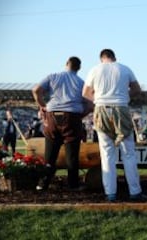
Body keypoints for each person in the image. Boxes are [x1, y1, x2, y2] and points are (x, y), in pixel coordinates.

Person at [82, 49, 147, 202]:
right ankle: (135, 192)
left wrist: (98, 99)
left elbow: (85, 93)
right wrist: (125, 96)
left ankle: (110, 193)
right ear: (114, 57)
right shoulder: (124, 68)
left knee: (107, 154)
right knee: (128, 153)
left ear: (101, 59)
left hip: (101, 109)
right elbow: (137, 89)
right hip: (121, 108)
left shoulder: (94, 69)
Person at [32, 56, 93, 191]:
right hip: (72, 116)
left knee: (50, 155)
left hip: (52, 116)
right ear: (79, 68)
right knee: (72, 154)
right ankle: (73, 185)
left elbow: (36, 90)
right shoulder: (81, 82)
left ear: (66, 64)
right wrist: (80, 116)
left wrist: (43, 107)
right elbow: (90, 105)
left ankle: (43, 184)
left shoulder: (53, 76)